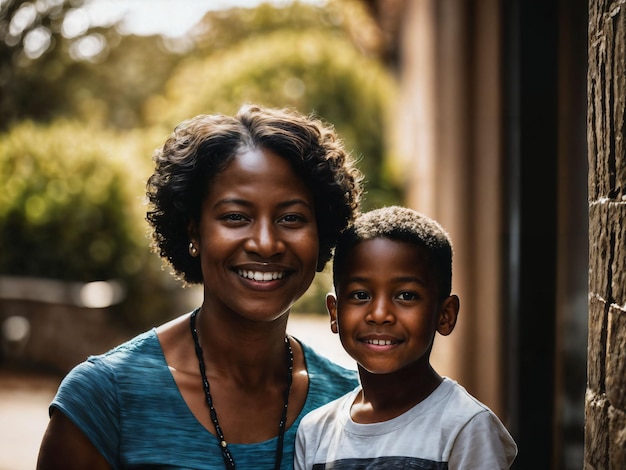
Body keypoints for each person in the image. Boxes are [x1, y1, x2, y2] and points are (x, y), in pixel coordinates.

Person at [37, 104, 363, 470]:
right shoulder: (104, 398)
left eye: (291, 218)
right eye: (236, 217)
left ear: (321, 233)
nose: (266, 243)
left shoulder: (354, 406)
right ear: (194, 231)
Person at [294, 206, 518, 469]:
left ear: (445, 315)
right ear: (334, 312)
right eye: (360, 295)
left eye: (406, 296)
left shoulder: (466, 427)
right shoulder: (315, 432)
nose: (379, 314)